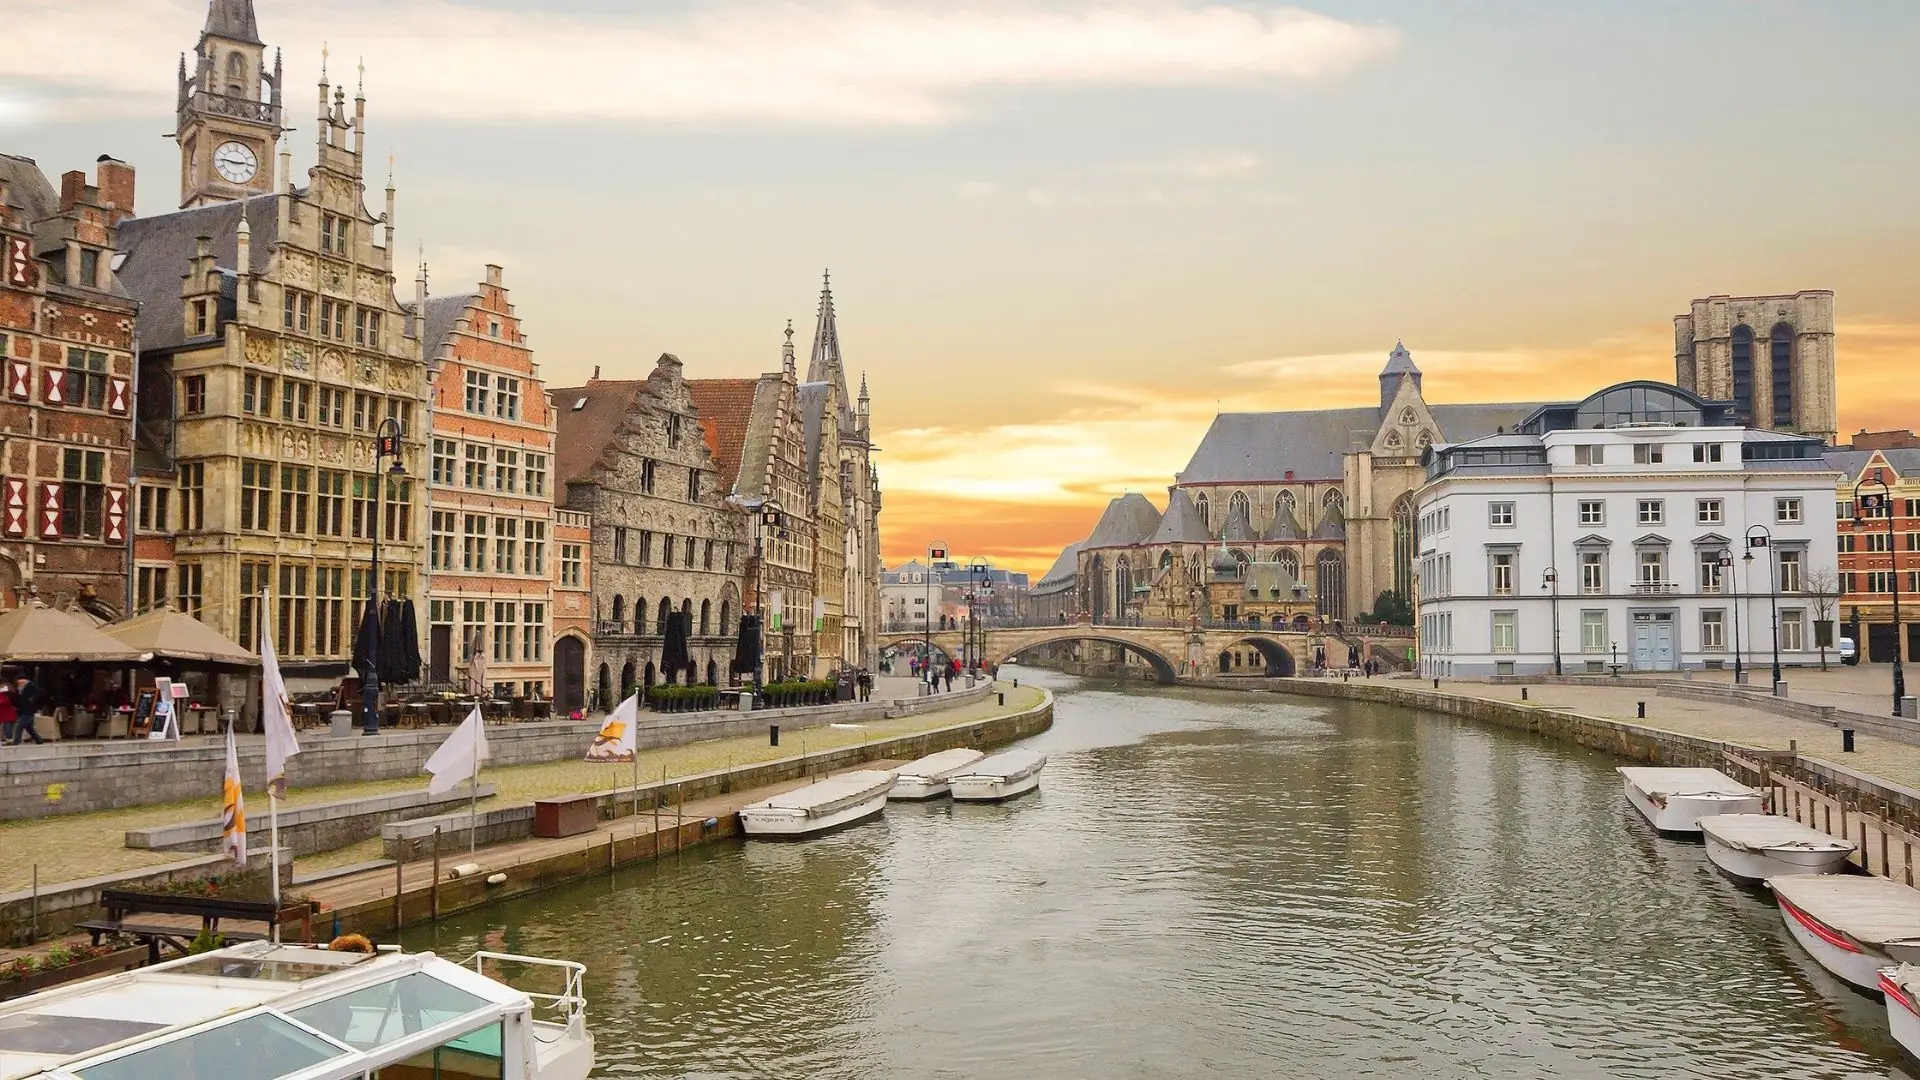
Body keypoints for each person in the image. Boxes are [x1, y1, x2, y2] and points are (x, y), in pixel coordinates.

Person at [10, 673, 45, 745]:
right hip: (22, 709)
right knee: (29, 728)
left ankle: (16, 742)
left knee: (19, 726)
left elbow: (39, 692)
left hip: (28, 709)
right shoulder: (19, 687)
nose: (19, 683)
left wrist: (32, 698)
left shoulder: (31, 685)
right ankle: (39, 740)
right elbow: (17, 698)